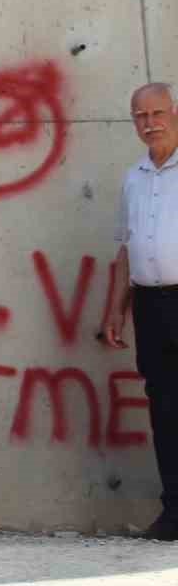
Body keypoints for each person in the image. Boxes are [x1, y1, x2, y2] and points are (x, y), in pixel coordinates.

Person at [101, 82, 178, 541]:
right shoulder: (133, 177)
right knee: (165, 410)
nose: (150, 123)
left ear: (174, 112)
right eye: (140, 116)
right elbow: (125, 251)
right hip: (150, 306)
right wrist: (116, 309)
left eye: (157, 113)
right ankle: (174, 513)